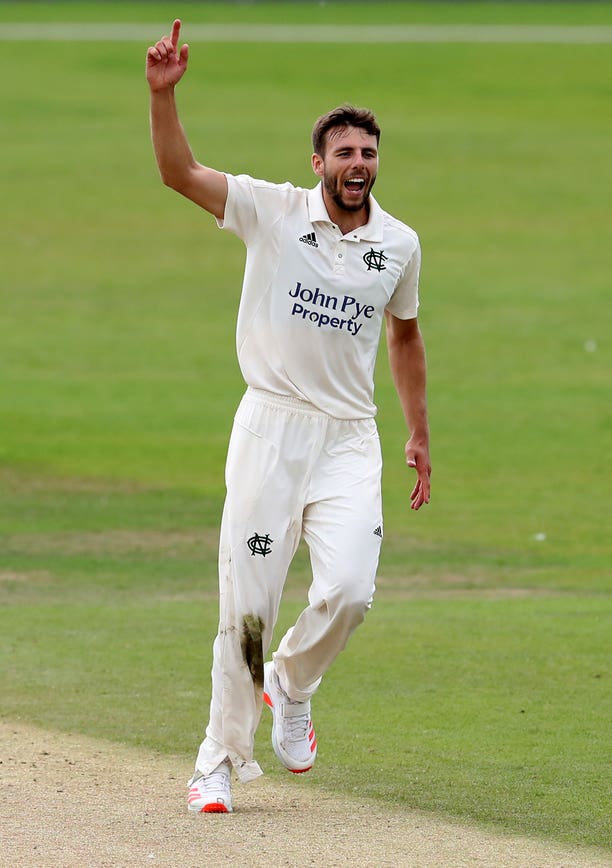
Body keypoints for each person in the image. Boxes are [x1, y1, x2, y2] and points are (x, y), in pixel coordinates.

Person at [146, 19, 431, 814]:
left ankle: (291, 682)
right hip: (271, 429)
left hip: (349, 438)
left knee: (350, 591)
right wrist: (162, 97)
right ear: (319, 164)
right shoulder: (271, 212)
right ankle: (217, 759)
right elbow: (179, 172)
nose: (358, 165)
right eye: (344, 153)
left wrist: (418, 433)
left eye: (369, 153)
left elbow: (405, 338)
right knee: (249, 603)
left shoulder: (398, 245)